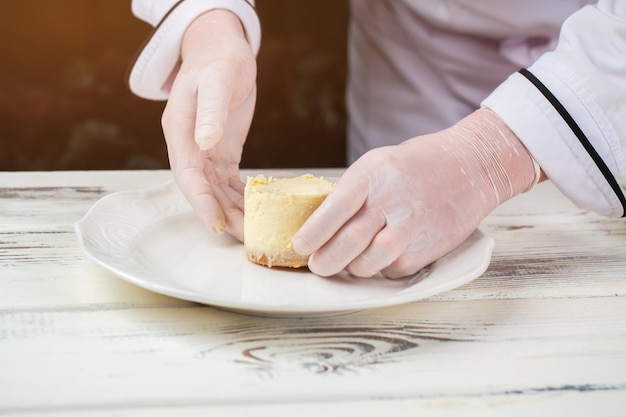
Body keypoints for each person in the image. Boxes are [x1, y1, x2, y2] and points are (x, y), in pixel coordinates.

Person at [128, 0, 626, 278]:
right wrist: (209, 23)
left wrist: (488, 158)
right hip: (414, 54)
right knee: (386, 274)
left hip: (604, 72)